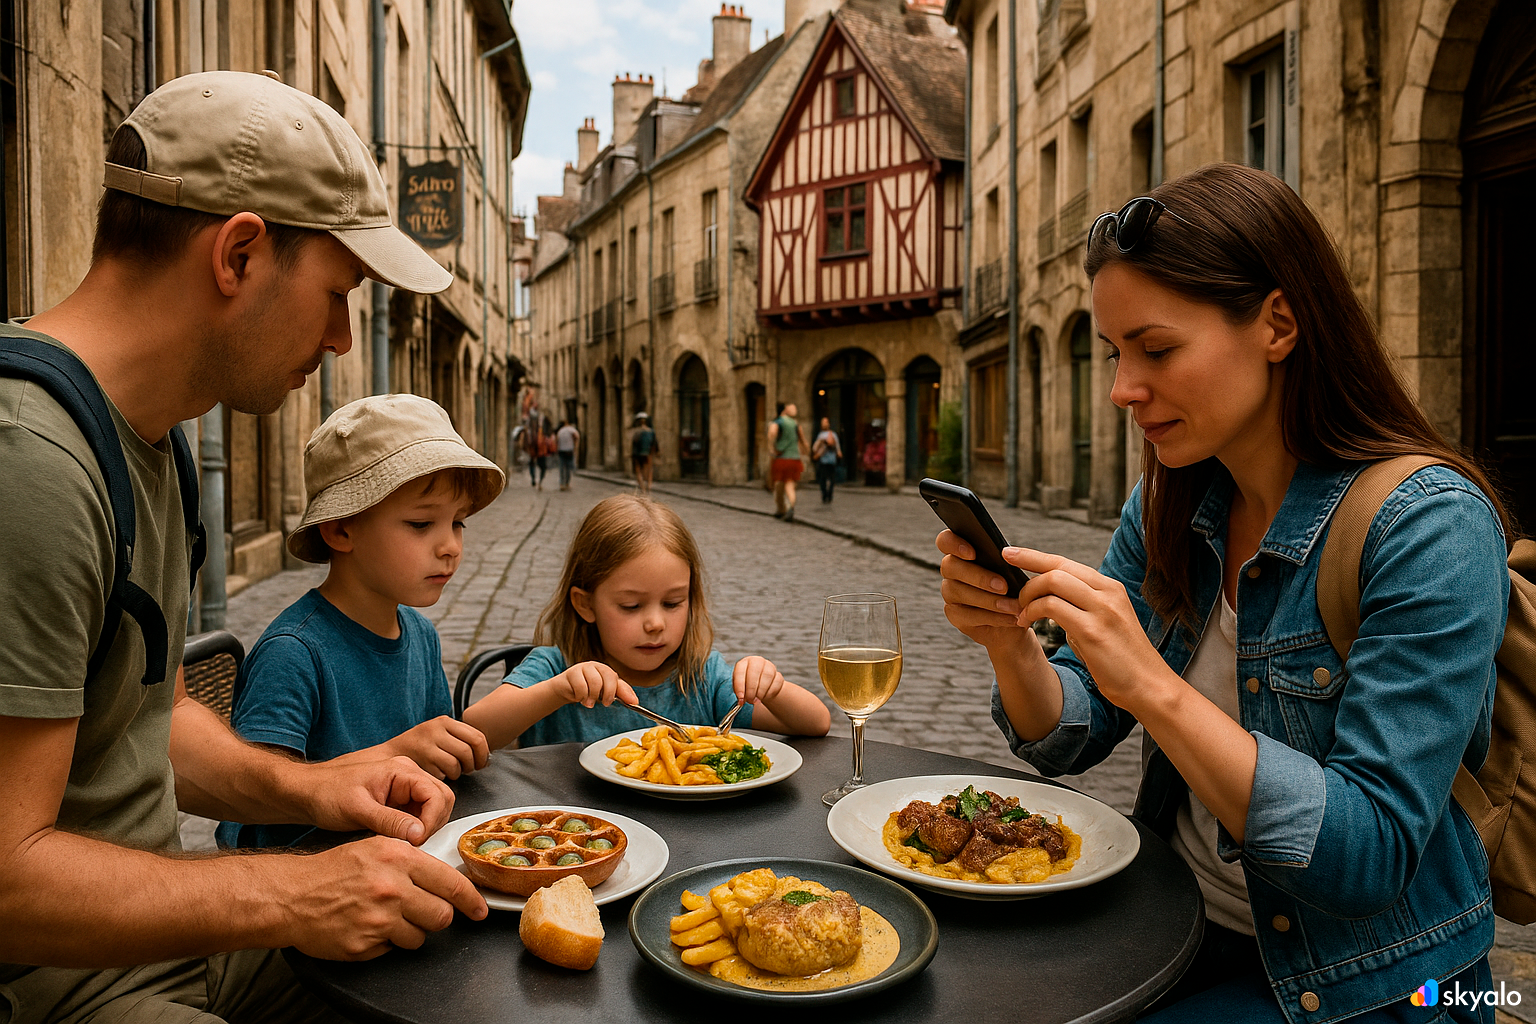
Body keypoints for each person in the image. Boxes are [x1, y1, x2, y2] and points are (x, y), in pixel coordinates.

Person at [937, 164, 1509, 1023]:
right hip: (1171, 928)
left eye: (1156, 349)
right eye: (1116, 353)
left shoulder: (1428, 528)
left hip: (1370, 985)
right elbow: (1072, 738)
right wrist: (1009, 641)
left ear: (1278, 323)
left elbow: (1369, 855)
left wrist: (1153, 685)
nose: (1125, 388)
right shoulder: (1173, 500)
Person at [0, 71, 487, 1022]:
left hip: (166, 941)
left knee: (468, 943)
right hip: (66, 986)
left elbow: (153, 717)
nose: (345, 337)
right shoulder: (33, 465)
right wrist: (297, 894)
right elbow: (9, 882)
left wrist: (314, 790)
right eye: (338, 292)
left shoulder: (152, 438)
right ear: (240, 255)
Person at [216, 394, 505, 850]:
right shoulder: (294, 653)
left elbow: (435, 771)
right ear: (341, 529)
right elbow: (251, 819)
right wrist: (394, 754)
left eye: (458, 523)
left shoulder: (421, 636)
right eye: (420, 524)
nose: (450, 546)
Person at [461, 493, 831, 748]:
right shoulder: (555, 668)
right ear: (585, 604)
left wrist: (773, 688)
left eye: (672, 603)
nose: (655, 622)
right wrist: (558, 690)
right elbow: (476, 730)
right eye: (631, 606)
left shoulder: (701, 676)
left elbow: (816, 723)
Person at [768, 401, 807, 520]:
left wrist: (771, 448)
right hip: (795, 458)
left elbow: (772, 433)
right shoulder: (796, 424)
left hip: (782, 458)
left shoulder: (778, 422)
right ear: (785, 410)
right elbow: (803, 440)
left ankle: (781, 509)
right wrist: (806, 451)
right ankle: (790, 507)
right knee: (790, 485)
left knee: (779, 485)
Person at [812, 416, 843, 504]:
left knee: (832, 480)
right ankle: (824, 494)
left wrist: (839, 452)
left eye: (825, 422)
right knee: (823, 480)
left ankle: (829, 495)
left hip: (831, 460)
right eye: (823, 423)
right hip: (823, 461)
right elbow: (815, 447)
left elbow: (837, 446)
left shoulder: (833, 435)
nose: (824, 424)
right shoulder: (820, 435)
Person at [630, 411, 657, 496]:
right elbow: (654, 443)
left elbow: (633, 444)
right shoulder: (650, 431)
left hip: (637, 455)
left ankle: (643, 489)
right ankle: (648, 487)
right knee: (649, 470)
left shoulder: (635, 431)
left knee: (639, 471)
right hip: (648, 453)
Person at [523, 411, 547, 490]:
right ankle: (539, 481)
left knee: (533, 465)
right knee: (542, 467)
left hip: (534, 450)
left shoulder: (530, 429)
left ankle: (535, 479)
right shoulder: (540, 429)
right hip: (540, 451)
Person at [556, 418, 580, 490]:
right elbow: (576, 436)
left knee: (562, 468)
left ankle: (561, 484)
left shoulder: (560, 431)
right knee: (568, 468)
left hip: (561, 450)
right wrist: (575, 446)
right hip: (569, 451)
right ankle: (567, 483)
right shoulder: (571, 429)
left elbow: (557, 440)